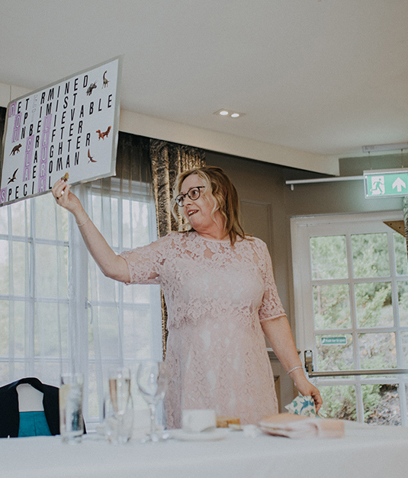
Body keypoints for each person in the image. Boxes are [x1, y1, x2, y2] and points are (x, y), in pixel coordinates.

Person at [51, 166, 322, 428]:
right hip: (195, 384)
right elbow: (114, 266)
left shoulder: (256, 250)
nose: (185, 202)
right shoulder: (173, 248)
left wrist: (299, 377)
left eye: (194, 193)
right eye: (182, 197)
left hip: (250, 385)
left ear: (221, 194)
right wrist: (77, 210)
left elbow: (272, 317)